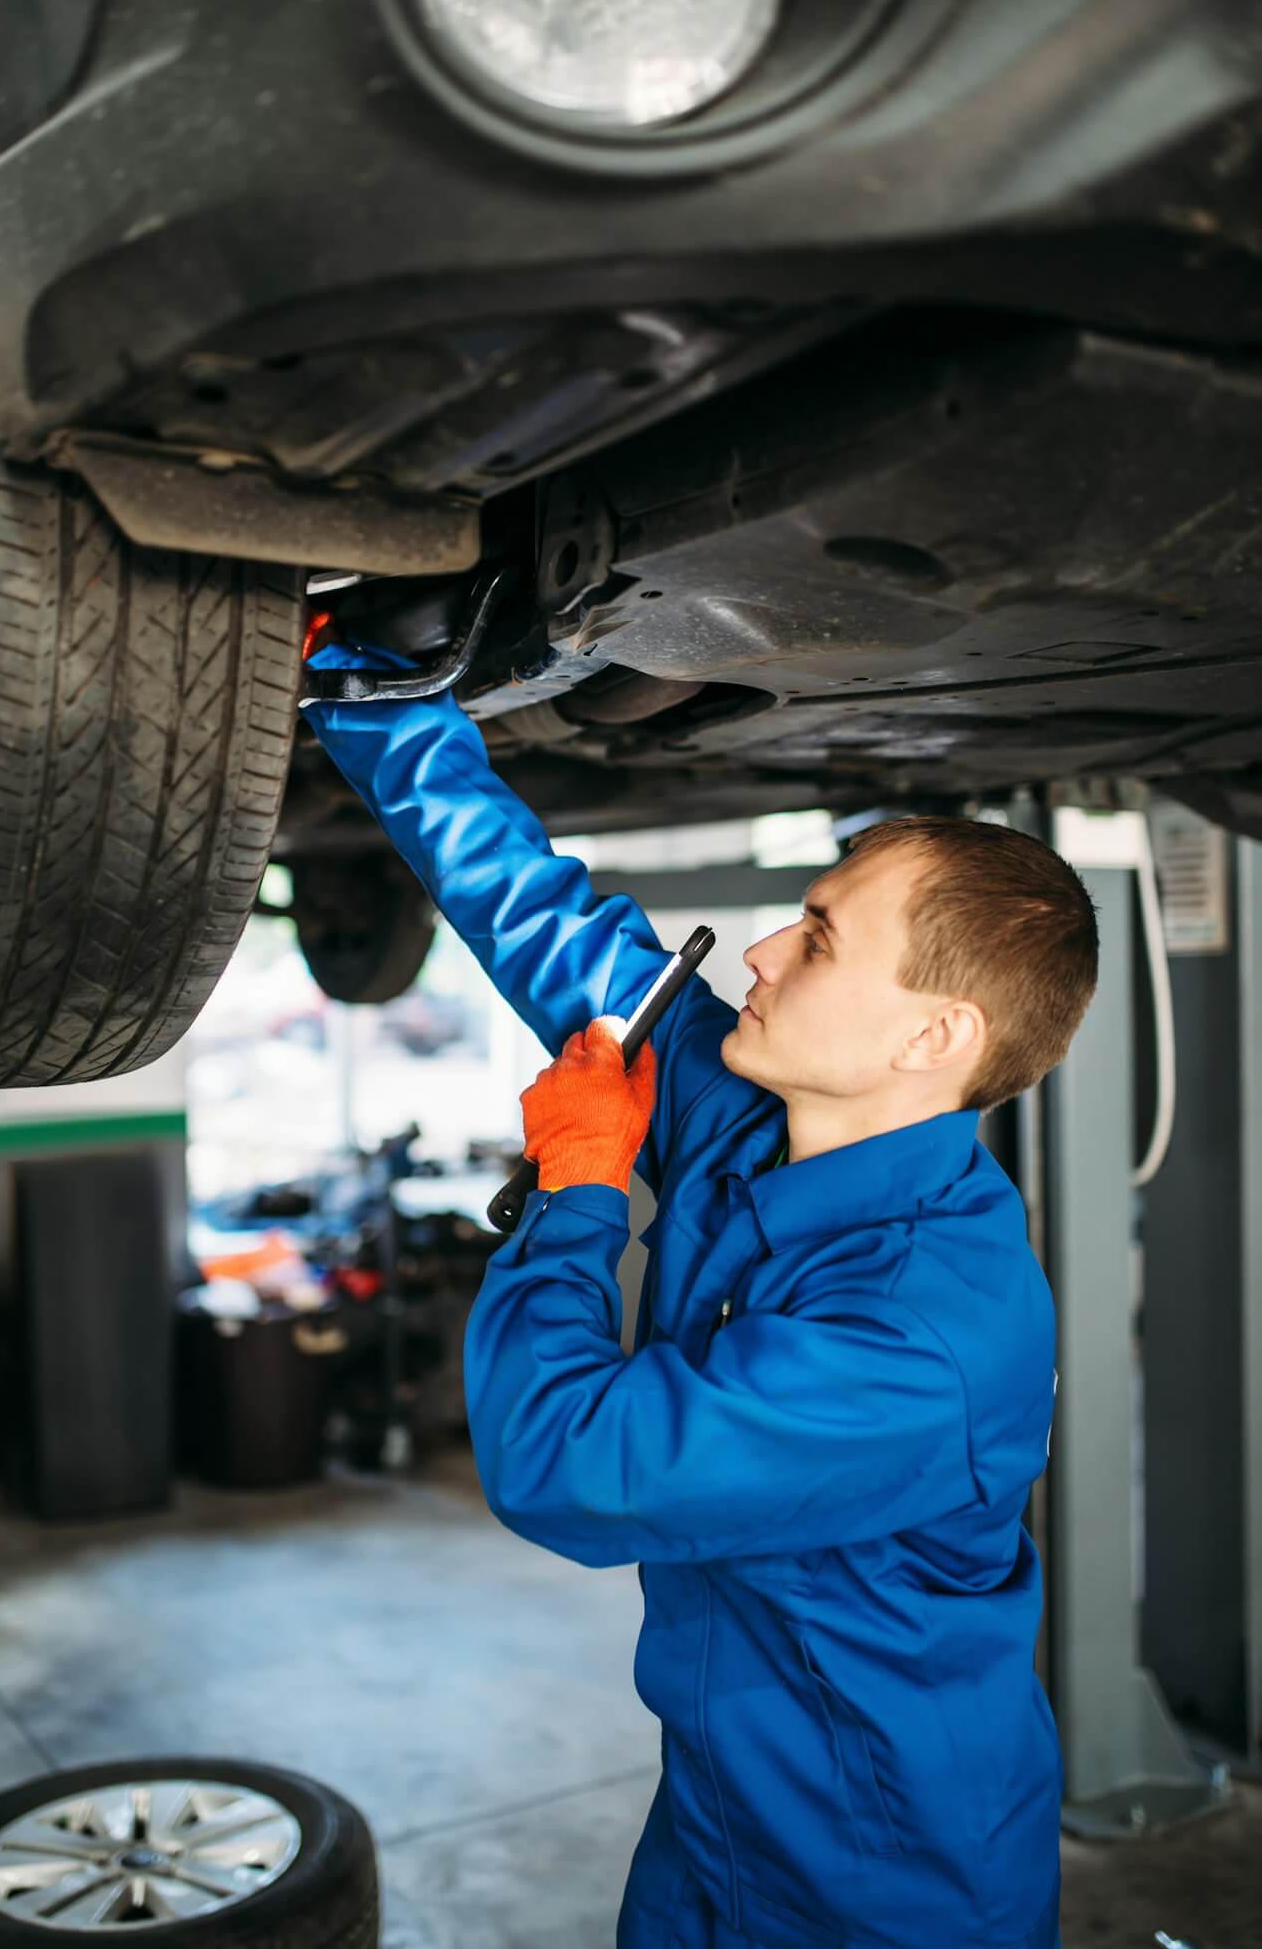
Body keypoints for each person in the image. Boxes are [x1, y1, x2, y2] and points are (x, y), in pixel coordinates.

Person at [305, 635, 1098, 1949]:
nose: (767, 951)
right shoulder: (757, 1117)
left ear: (931, 1038)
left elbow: (565, 1461)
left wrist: (580, 1188)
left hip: (885, 1885)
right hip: (718, 1814)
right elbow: (549, 930)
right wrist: (380, 701)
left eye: (823, 939)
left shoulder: (921, 1341)